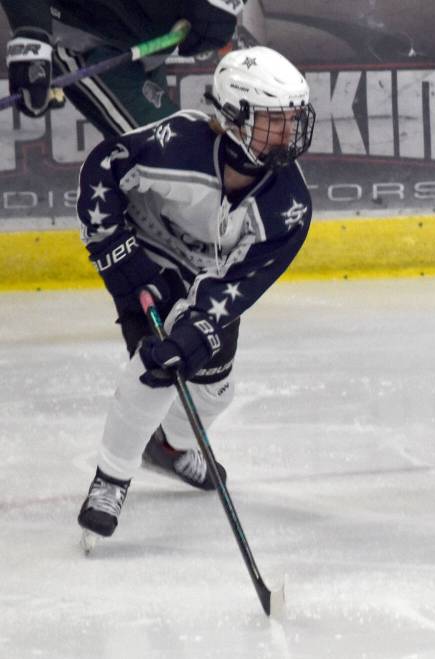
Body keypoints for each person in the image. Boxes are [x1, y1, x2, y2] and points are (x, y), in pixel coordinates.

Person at [75, 45, 316, 544]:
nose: (290, 133)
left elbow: (242, 283)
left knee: (215, 389)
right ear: (233, 118)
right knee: (155, 365)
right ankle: (111, 478)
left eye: (294, 119)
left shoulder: (288, 205)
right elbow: (102, 169)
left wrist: (200, 327)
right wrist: (123, 261)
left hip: (207, 278)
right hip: (146, 258)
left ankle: (168, 446)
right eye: (276, 121)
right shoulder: (176, 145)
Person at [2, 0, 245, 135]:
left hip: (146, 42)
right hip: (82, 38)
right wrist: (31, 34)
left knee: (163, 165)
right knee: (175, 156)